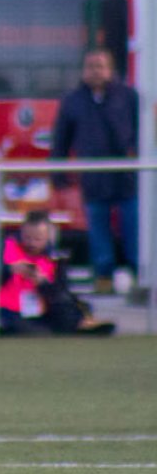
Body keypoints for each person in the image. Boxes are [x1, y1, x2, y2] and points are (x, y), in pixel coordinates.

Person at [51, 47, 139, 295]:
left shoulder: (127, 97)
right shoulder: (73, 101)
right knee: (98, 227)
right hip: (94, 178)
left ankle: (136, 271)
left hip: (127, 177)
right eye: (91, 66)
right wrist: (58, 172)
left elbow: (140, 133)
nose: (96, 71)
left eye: (101, 66)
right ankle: (103, 275)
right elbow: (61, 139)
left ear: (110, 69)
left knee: (133, 227)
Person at [0, 210, 114, 336]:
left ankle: (79, 324)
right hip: (15, 311)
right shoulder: (9, 253)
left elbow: (62, 291)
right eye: (27, 238)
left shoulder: (54, 260)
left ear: (48, 238)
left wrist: (42, 283)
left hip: (45, 309)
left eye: (37, 239)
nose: (31, 243)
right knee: (22, 326)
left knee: (71, 306)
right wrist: (8, 270)